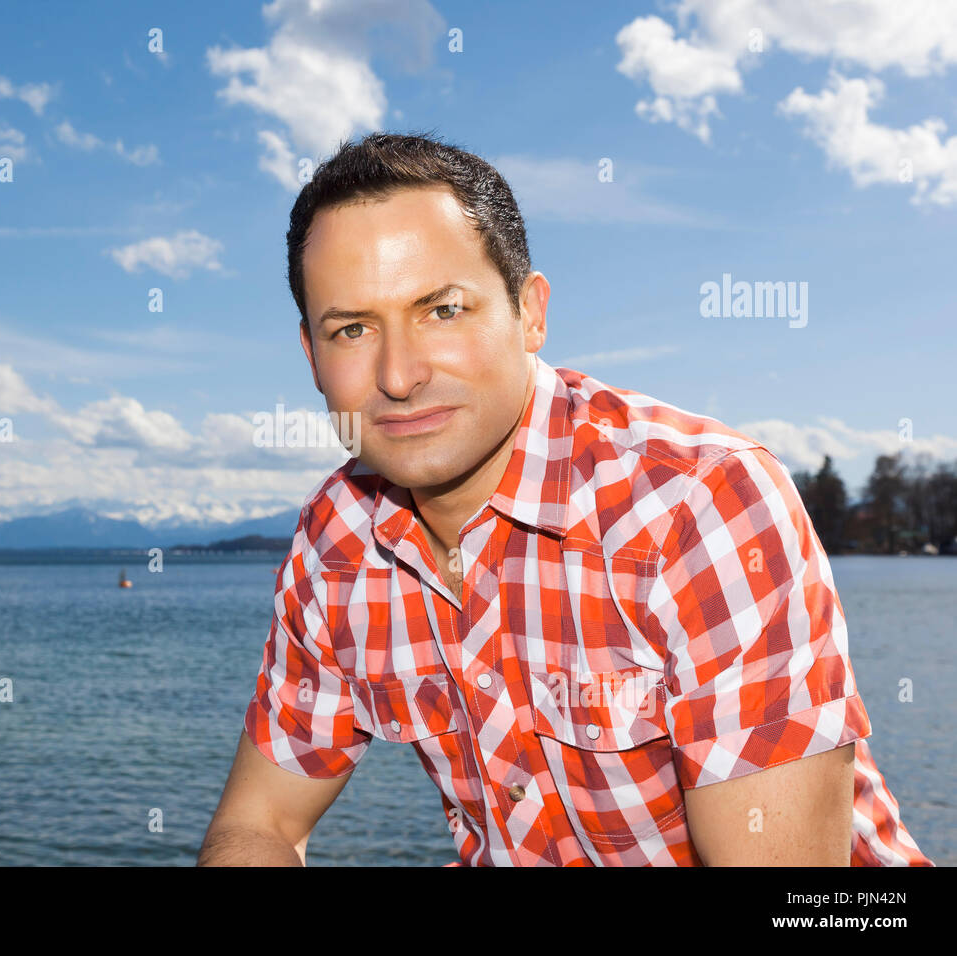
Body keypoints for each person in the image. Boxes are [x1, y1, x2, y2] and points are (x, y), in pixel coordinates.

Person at [197, 132, 932, 866]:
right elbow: (256, 825)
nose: (398, 374)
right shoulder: (336, 543)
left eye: (442, 310)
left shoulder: (698, 505)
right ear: (311, 358)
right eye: (352, 329)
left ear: (530, 313)